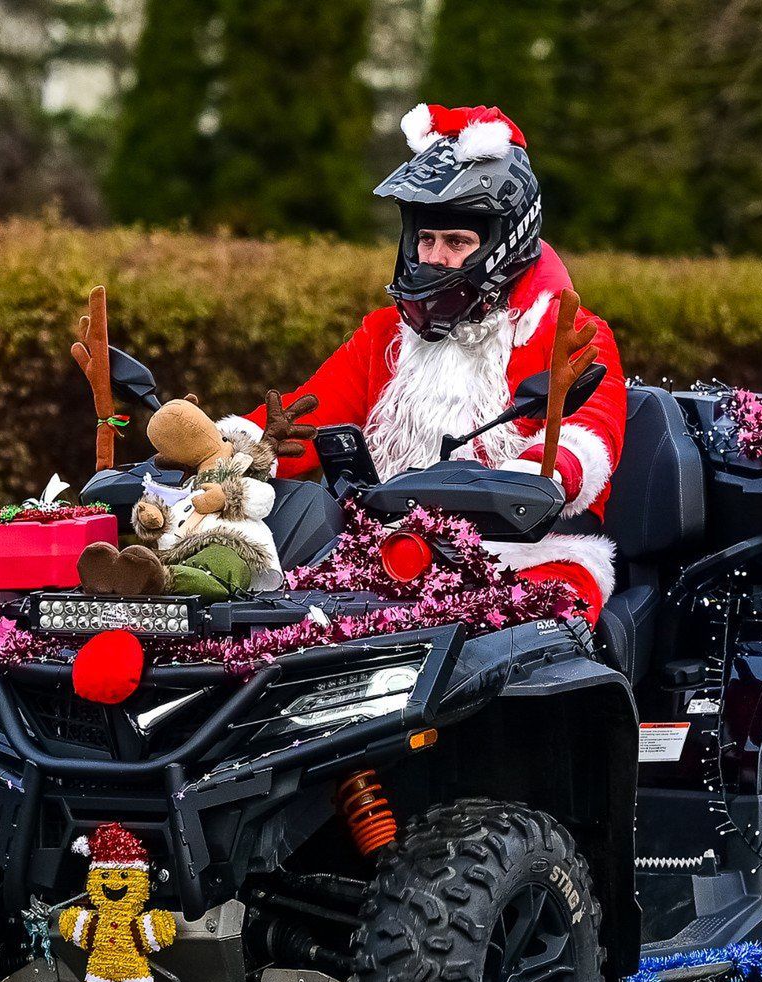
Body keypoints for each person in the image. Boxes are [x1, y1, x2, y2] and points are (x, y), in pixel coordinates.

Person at [218, 104, 626, 623]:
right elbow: (303, 419)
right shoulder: (384, 333)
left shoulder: (568, 331)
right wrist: (219, 453)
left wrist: (535, 475)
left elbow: (592, 432)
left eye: (457, 242)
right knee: (272, 627)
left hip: (530, 557)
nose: (433, 257)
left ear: (506, 243)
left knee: (525, 638)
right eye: (426, 239)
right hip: (384, 556)